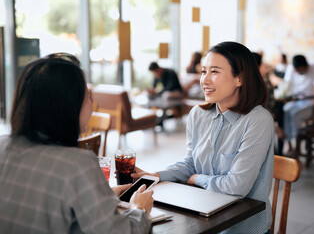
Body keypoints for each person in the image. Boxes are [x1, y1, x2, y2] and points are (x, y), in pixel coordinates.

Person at [0, 54, 154, 233]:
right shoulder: (77, 164)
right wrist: (139, 209)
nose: (91, 103)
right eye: (87, 95)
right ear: (69, 106)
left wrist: (102, 197)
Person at [134, 42, 275, 234]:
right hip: (203, 218)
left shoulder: (258, 120)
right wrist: (155, 176)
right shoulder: (198, 114)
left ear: (239, 78)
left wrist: (198, 179)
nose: (204, 81)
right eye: (203, 72)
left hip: (243, 228)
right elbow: (191, 163)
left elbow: (237, 187)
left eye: (214, 72)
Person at [282, 54, 314, 154]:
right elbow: (286, 87)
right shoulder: (291, 68)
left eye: (301, 70)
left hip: (310, 103)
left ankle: (298, 144)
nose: (298, 72)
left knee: (295, 114)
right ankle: (289, 144)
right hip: (296, 101)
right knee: (285, 110)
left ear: (306, 66)